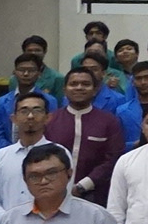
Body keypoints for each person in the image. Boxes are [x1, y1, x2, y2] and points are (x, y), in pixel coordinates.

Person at [48, 68, 127, 202]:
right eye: (73, 84)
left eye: (85, 84)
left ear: (95, 90)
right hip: (53, 193)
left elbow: (113, 158)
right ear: (64, 90)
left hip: (96, 194)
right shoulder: (50, 120)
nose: (79, 88)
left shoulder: (109, 121)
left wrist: (84, 185)